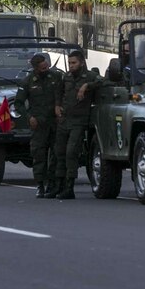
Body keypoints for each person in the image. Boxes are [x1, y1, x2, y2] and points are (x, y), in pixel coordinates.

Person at [54, 50, 102, 200]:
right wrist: (57, 105)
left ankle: (69, 186)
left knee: (71, 152)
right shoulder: (66, 77)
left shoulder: (90, 76)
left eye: (74, 63)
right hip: (64, 120)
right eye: (69, 63)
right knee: (59, 152)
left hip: (79, 121)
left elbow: (104, 82)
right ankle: (59, 185)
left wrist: (86, 86)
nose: (71, 66)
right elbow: (59, 92)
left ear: (81, 62)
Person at [13, 54, 62, 199]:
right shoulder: (27, 82)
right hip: (38, 123)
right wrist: (29, 117)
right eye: (42, 68)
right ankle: (40, 184)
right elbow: (18, 104)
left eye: (46, 66)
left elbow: (62, 94)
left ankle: (52, 184)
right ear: (35, 68)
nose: (45, 69)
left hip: (55, 122)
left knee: (56, 154)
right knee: (39, 154)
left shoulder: (56, 77)